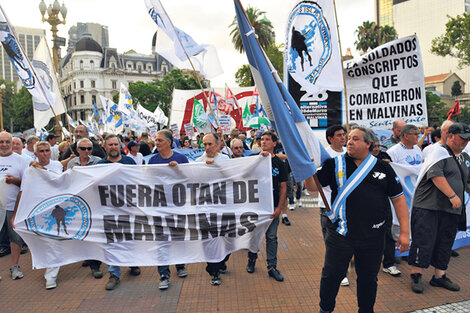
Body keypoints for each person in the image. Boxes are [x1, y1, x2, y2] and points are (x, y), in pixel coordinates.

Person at [305, 126, 410, 313]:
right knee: (331, 276)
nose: (349, 142)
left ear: (368, 143)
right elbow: (313, 187)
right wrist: (307, 169)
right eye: (348, 138)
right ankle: (325, 309)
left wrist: (404, 232)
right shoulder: (334, 164)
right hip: (341, 234)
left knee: (368, 279)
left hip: (374, 236)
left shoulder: (383, 167)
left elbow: (398, 199)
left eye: (355, 138)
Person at [408, 123, 470, 294]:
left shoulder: (464, 157)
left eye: (467, 138)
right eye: (462, 138)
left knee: (445, 241)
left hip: (451, 210)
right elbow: (436, 175)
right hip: (429, 207)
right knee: (424, 239)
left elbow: (467, 181)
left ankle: (439, 276)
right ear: (450, 136)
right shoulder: (438, 152)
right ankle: (416, 275)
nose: (465, 141)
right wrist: (451, 195)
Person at [96, 134, 141, 290]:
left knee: (130, 239)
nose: (113, 147)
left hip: (128, 208)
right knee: (112, 243)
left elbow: (139, 181)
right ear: (105, 146)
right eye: (110, 145)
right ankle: (114, 274)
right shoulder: (99, 165)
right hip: (108, 210)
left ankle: (133, 263)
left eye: (115, 144)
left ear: (120, 146)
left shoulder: (129, 162)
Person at [148, 130, 189, 290]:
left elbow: (190, 178)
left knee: (178, 238)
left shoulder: (181, 158)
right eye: (156, 140)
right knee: (162, 241)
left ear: (169, 142)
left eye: (159, 140)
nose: (156, 143)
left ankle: (180, 265)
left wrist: (178, 170)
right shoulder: (153, 160)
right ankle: (163, 274)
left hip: (178, 206)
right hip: (159, 207)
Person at [246, 131, 287, 283]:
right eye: (261, 140)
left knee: (271, 236)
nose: (263, 142)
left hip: (271, 207)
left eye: (267, 140)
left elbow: (284, 187)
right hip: (255, 206)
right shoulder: (252, 159)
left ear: (274, 143)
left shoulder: (280, 164)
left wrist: (279, 208)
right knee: (254, 235)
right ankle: (251, 258)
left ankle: (272, 267)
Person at [195, 133, 231, 286]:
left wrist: (217, 167)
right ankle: (213, 271)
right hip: (205, 208)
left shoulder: (225, 160)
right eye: (205, 144)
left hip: (223, 207)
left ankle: (222, 260)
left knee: (225, 238)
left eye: (210, 144)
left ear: (217, 144)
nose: (207, 147)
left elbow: (232, 177)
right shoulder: (197, 162)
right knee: (208, 240)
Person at [66, 138, 103, 278]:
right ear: (77, 149)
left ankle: (96, 264)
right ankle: (88, 255)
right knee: (84, 231)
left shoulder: (98, 161)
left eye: (89, 149)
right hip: (79, 203)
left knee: (95, 231)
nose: (86, 151)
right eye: (83, 148)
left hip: (95, 201)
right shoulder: (71, 163)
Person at [319, 125, 349, 286]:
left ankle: (344, 266)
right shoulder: (324, 155)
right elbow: (320, 181)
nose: (343, 137)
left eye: (345, 134)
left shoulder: (349, 154)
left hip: (349, 205)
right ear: (330, 138)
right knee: (332, 241)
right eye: (339, 135)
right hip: (329, 205)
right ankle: (339, 272)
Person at [0, 132, 29, 281]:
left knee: (15, 238)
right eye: (1, 142)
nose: (4, 145)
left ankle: (15, 266)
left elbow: (26, 184)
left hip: (14, 206)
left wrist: (14, 181)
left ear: (12, 143)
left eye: (7, 142)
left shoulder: (21, 161)